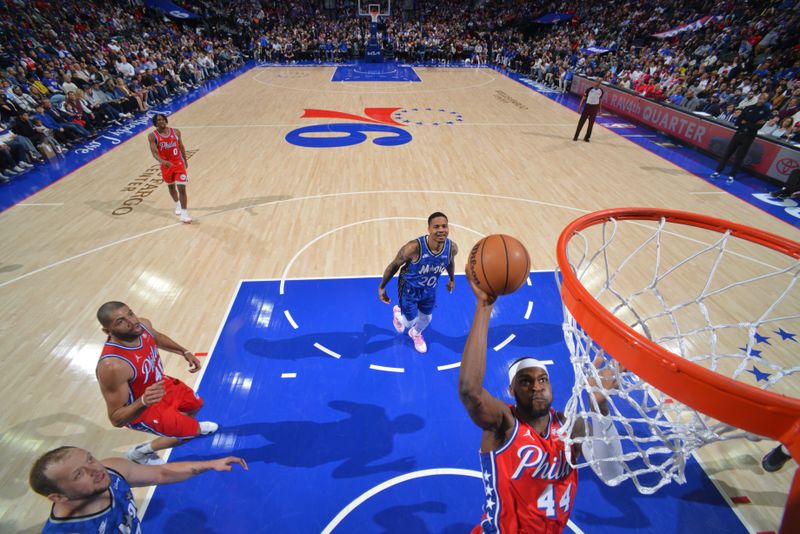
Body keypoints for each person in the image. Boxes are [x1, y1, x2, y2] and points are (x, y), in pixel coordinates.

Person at [458, 276, 616, 533]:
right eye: (525, 381)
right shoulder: (503, 425)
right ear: (511, 390)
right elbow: (469, 391)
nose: (537, 386)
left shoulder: (569, 426)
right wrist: (484, 306)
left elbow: (610, 472)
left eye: (542, 379)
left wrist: (600, 408)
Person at [95, 301, 216, 465]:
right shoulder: (113, 366)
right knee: (188, 434)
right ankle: (140, 452)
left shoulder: (142, 325)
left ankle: (185, 426)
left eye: (130, 313)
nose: (132, 321)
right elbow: (116, 419)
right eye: (120, 321)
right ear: (107, 331)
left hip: (161, 385)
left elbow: (157, 337)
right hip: (144, 409)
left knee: (195, 405)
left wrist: (184, 351)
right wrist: (143, 401)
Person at [29, 446, 247, 533]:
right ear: (58, 497)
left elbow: (161, 473)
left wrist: (209, 464)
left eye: (90, 458)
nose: (95, 469)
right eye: (79, 474)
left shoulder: (111, 470)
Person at [378, 212, 458, 353]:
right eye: (436, 226)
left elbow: (450, 261)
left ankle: (415, 334)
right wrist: (382, 287)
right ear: (428, 229)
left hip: (430, 289)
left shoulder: (452, 248)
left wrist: (451, 278)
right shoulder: (414, 248)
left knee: (426, 317)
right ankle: (397, 314)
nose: (441, 230)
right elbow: (394, 265)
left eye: (444, 226)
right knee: (409, 322)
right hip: (409, 288)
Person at [710, 93, 772, 183]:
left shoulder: (766, 112)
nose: (762, 100)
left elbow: (758, 126)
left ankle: (732, 175)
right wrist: (751, 123)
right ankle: (718, 171)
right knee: (727, 153)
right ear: (758, 98)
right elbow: (738, 121)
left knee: (740, 157)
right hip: (739, 134)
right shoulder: (749, 107)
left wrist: (746, 122)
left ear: (766, 100)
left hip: (749, 136)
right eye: (761, 98)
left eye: (764, 99)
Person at [148, 113, 192, 223]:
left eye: (162, 119)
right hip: (166, 166)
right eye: (158, 120)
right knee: (171, 187)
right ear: (155, 123)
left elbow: (181, 146)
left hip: (178, 164)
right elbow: (154, 153)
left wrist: (185, 159)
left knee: (182, 188)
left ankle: (184, 213)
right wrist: (163, 162)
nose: (160, 121)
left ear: (166, 120)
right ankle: (177, 204)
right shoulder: (152, 136)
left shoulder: (176, 131)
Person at [573, 78, 604, 142]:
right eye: (598, 82)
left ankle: (587, 137)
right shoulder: (589, 90)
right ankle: (576, 136)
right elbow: (583, 98)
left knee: (591, 123)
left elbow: (600, 101)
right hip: (587, 107)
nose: (598, 83)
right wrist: (580, 107)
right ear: (595, 82)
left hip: (595, 108)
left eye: (600, 82)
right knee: (581, 122)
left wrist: (600, 110)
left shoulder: (601, 91)